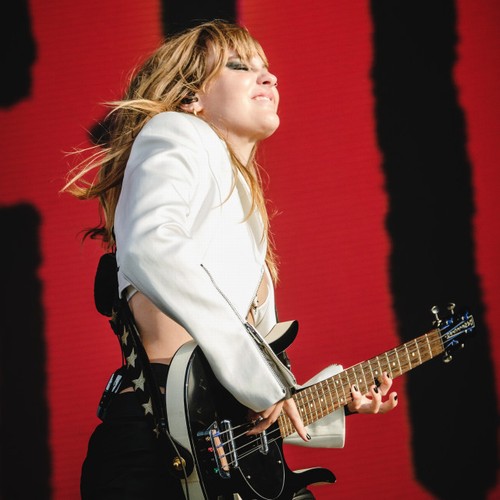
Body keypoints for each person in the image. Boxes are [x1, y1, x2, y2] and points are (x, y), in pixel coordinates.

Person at [63, 19, 398, 500]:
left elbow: (248, 400)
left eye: (268, 68)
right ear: (191, 98)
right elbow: (151, 245)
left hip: (206, 453)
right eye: (241, 66)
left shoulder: (246, 208)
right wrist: (261, 381)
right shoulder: (176, 131)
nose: (270, 78)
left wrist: (331, 402)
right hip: (155, 446)